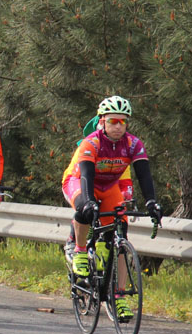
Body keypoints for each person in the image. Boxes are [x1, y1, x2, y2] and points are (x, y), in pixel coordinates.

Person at [62, 96, 162, 320]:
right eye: (113, 121)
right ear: (102, 121)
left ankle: (118, 297)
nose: (118, 126)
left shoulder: (133, 144)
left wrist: (151, 201)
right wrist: (88, 201)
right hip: (80, 182)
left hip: (108, 187)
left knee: (120, 237)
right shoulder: (92, 142)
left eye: (122, 122)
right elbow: (86, 175)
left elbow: (144, 176)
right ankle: (79, 250)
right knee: (83, 210)